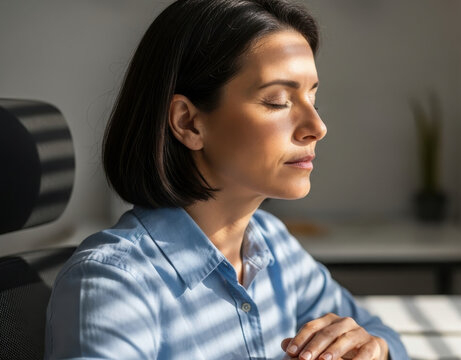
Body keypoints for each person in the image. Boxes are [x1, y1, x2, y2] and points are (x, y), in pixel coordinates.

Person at [45, 0, 408, 359]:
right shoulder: (113, 284)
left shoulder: (273, 246)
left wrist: (374, 348)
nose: (317, 128)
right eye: (279, 101)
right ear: (188, 122)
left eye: (313, 97)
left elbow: (378, 331)